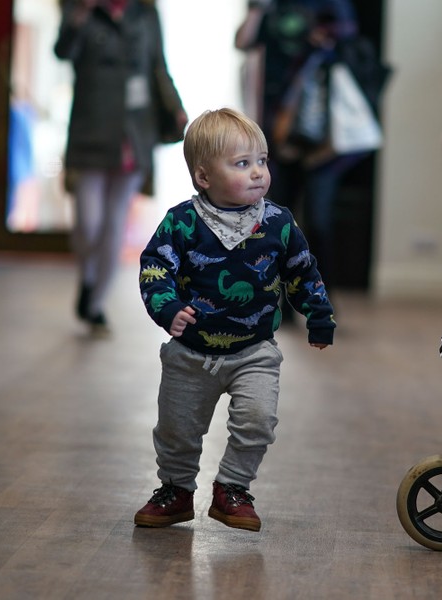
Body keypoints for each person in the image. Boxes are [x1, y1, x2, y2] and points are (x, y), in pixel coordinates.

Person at [133, 108, 335, 531]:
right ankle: (176, 490)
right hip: (191, 352)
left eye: (262, 160)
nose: (258, 172)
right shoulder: (182, 222)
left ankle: (233, 488)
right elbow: (156, 267)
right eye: (242, 163)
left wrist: (318, 314)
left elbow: (302, 271)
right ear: (204, 176)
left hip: (254, 350)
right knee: (176, 429)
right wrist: (167, 308)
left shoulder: (277, 222)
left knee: (258, 421)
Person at [54, 0, 186, 335]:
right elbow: (63, 51)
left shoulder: (146, 12)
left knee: (115, 221)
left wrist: (175, 107)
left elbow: (159, 65)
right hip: (91, 129)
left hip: (136, 130)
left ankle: (96, 304)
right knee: (88, 222)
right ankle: (87, 277)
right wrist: (80, 15)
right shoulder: (80, 9)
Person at [235, 0, 374, 288]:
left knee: (318, 220)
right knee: (277, 220)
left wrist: (324, 40)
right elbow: (243, 42)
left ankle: (320, 295)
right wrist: (257, 8)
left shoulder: (332, 4)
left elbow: (350, 43)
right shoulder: (270, 6)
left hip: (321, 135)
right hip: (277, 130)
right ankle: (281, 298)